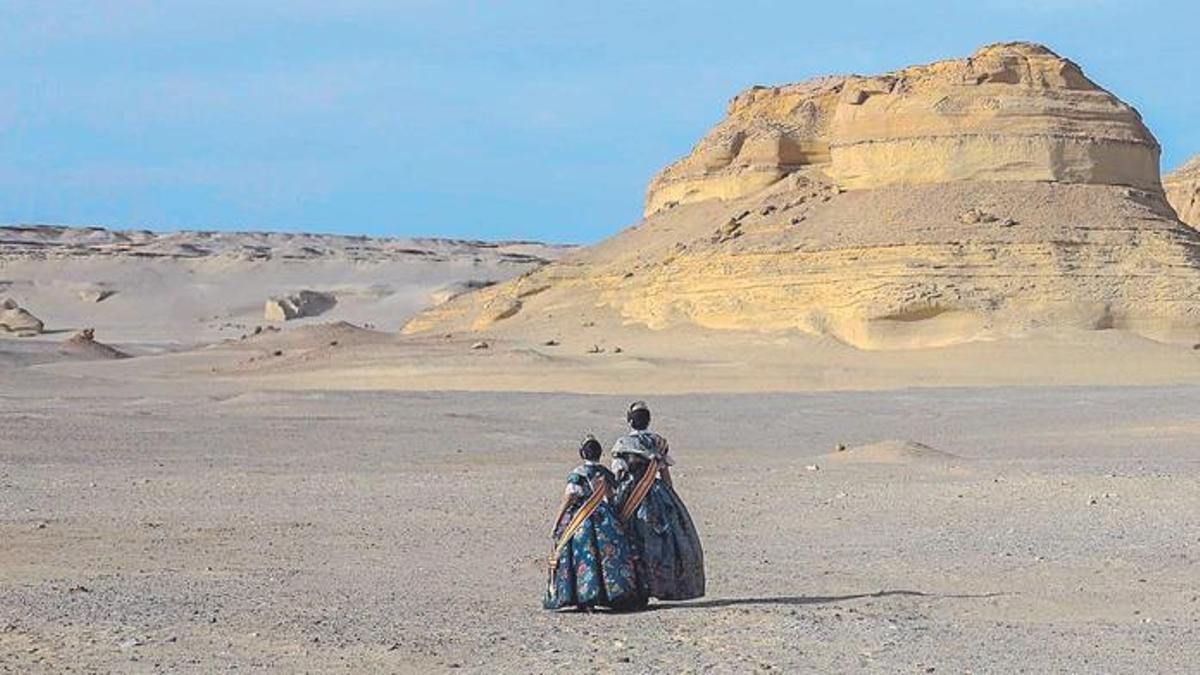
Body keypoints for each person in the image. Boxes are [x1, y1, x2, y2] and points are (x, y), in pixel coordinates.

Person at [611, 401, 705, 601]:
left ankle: (635, 588)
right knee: (662, 542)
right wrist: (672, 498)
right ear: (649, 420)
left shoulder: (622, 445)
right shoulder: (658, 442)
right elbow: (664, 472)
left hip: (630, 495)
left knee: (629, 538)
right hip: (657, 494)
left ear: (629, 421)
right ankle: (661, 586)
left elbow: (618, 472)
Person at [543, 435, 641, 611]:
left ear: (582, 453)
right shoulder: (605, 473)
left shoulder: (578, 474)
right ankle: (608, 595)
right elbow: (611, 496)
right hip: (604, 517)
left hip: (580, 517)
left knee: (582, 556)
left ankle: (583, 596)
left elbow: (569, 498)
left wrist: (557, 521)